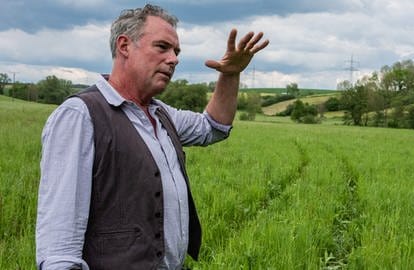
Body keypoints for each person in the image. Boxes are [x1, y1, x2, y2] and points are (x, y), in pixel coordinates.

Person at [35, 4, 268, 270]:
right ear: (124, 46)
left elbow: (212, 127)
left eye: (176, 51)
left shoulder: (160, 113)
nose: (174, 59)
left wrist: (230, 73)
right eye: (162, 47)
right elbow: (59, 247)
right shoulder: (80, 115)